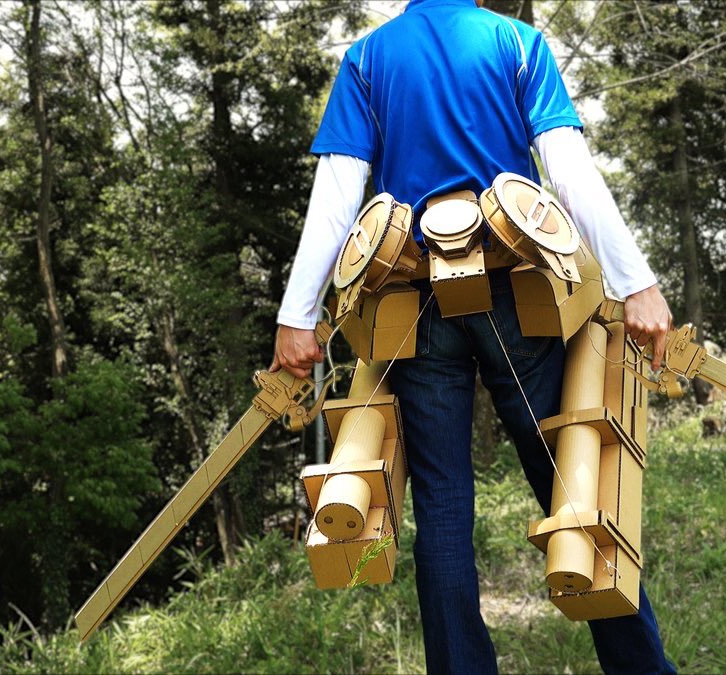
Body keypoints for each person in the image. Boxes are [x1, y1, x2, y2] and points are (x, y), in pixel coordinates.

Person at [271, 1, 675, 672]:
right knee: (577, 484)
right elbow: (568, 170)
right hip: (519, 299)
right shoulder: (517, 43)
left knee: (442, 504)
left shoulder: (368, 60)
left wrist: (297, 314)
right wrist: (637, 285)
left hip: (413, 304)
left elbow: (339, 193)